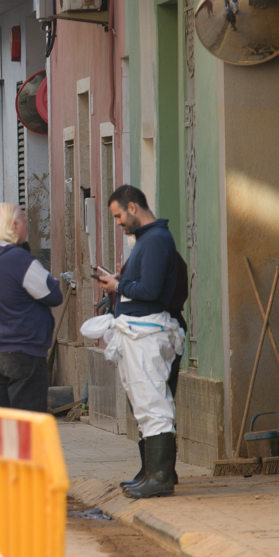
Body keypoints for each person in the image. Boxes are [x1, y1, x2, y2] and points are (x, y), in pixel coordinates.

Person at [95, 184, 184, 500]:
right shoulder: (148, 240)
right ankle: (152, 473)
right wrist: (120, 285)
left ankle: (159, 477)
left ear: (133, 207)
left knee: (153, 403)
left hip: (148, 334)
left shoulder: (156, 240)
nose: (118, 222)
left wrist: (119, 286)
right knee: (145, 404)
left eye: (118, 215)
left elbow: (150, 289)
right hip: (139, 332)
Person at [0, 203, 63, 413]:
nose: (27, 227)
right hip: (23, 352)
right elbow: (54, 294)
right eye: (24, 222)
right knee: (27, 422)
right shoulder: (19, 259)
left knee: (2, 423)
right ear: (13, 226)